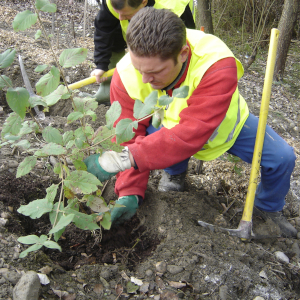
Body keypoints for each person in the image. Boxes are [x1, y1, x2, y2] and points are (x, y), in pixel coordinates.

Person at [84, 7, 298, 238]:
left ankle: (267, 210)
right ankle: (175, 174)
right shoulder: (125, 75)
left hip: (227, 127)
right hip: (167, 127)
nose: (145, 79)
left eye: (155, 72)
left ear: (183, 53)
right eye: (139, 69)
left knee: (282, 158)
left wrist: (121, 160)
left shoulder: (216, 62)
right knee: (159, 136)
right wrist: (129, 191)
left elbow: (190, 132)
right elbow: (128, 135)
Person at [91, 0, 195, 104]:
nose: (120, 18)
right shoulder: (112, 2)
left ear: (144, 2)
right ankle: (107, 90)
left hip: (166, 40)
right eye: (118, 13)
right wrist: (101, 64)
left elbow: (188, 39)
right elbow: (104, 31)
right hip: (133, 33)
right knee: (114, 38)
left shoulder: (172, 7)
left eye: (126, 14)